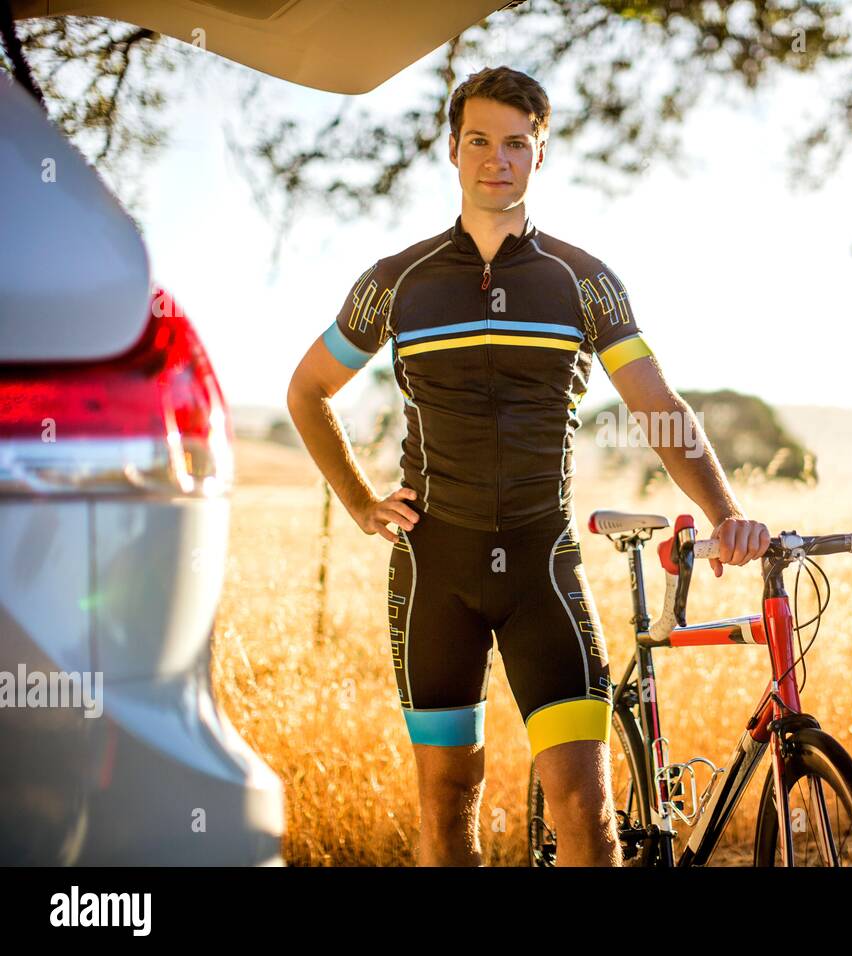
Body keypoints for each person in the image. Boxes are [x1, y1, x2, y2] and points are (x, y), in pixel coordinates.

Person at [286, 65, 769, 867]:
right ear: (452, 149)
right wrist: (361, 498)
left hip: (544, 567)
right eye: (479, 140)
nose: (496, 159)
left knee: (585, 806)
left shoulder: (583, 282)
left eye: (517, 143)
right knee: (447, 802)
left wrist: (725, 514)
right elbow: (308, 390)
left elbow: (656, 402)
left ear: (540, 155)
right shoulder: (394, 282)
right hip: (432, 569)